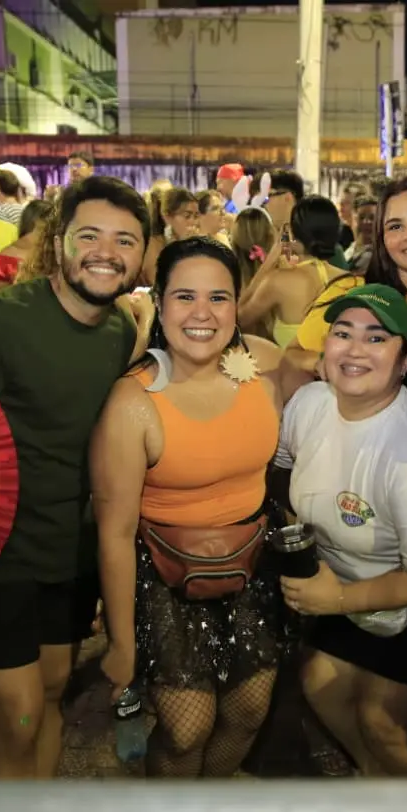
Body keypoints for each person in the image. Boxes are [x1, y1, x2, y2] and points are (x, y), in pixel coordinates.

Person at [0, 176, 150, 779]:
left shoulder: (122, 330)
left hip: (71, 555)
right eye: (90, 235)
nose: (107, 251)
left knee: (49, 697)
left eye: (125, 239)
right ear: (59, 242)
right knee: (17, 713)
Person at [93, 236, 286, 778]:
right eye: (185, 297)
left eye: (219, 298)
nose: (203, 313)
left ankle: (208, 807)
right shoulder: (133, 401)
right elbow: (113, 532)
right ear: (160, 301)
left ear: (237, 303)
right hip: (164, 576)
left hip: (252, 565)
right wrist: (121, 645)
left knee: (249, 712)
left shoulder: (264, 367)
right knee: (186, 728)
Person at [274, 284, 407, 776]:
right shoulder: (309, 406)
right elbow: (280, 470)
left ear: (405, 364)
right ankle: (379, 784)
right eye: (343, 333)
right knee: (319, 683)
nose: (355, 349)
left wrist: (335, 601)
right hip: (346, 582)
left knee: (380, 718)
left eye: (376, 338)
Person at [282, 176, 407, 379]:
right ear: (382, 239)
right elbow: (293, 354)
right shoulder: (351, 293)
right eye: (395, 226)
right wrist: (326, 365)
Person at [239, 196, 356, 348]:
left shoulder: (278, 281)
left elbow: (237, 320)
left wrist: (269, 262)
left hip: (290, 370)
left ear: (292, 234)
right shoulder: (350, 282)